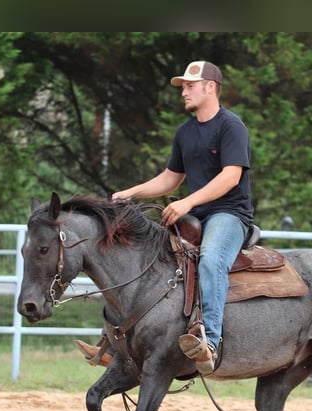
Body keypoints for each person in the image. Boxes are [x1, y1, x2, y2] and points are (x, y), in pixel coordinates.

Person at [76, 60, 254, 375]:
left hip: (229, 214)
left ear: (209, 87)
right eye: (182, 86)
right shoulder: (186, 132)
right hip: (195, 214)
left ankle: (209, 341)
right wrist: (130, 193)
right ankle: (113, 342)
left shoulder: (231, 126)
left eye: (189, 85)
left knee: (211, 260)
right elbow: (171, 178)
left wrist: (188, 202)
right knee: (142, 258)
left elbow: (230, 177)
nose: (183, 91)